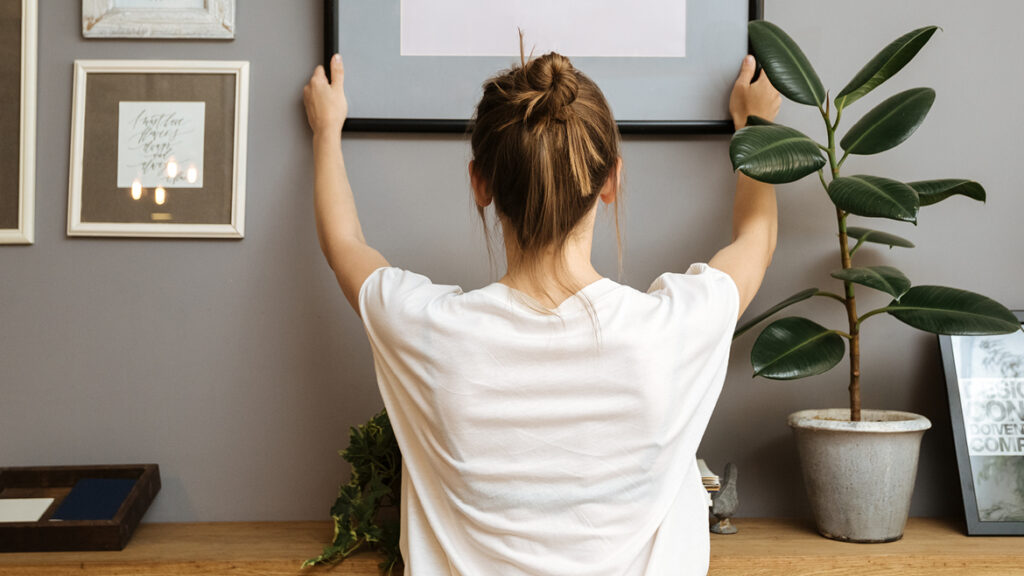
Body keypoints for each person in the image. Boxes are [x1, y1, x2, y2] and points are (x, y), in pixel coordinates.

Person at [303, 49, 780, 575]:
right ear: (612, 182)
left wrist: (327, 131)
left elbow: (343, 243)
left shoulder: (428, 331)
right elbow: (756, 240)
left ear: (479, 183)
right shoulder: (669, 332)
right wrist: (755, 125)